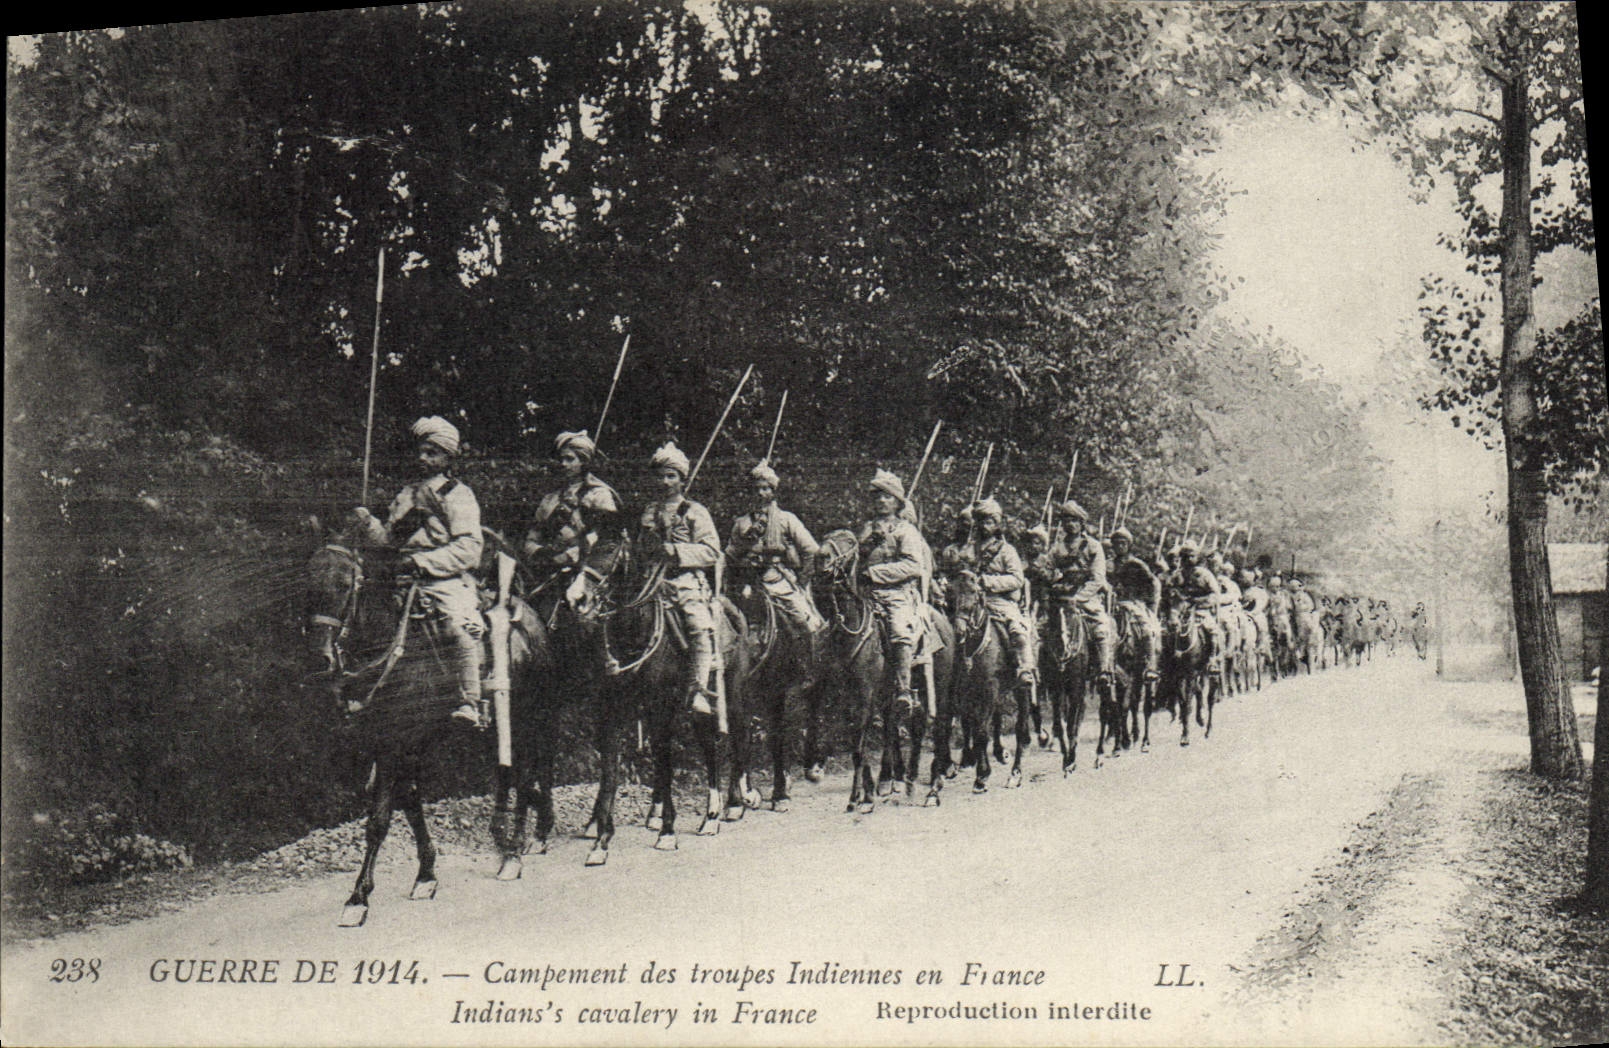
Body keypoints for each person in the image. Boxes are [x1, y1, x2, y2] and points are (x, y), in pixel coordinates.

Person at [353, 416, 485, 727]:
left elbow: (469, 548)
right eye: (421, 452)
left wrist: (422, 563)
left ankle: (470, 701)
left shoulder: (458, 494)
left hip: (444, 580)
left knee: (456, 629)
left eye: (432, 453)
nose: (423, 459)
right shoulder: (407, 494)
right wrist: (368, 523)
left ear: (448, 458)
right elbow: (389, 540)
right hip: (399, 578)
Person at [725, 459, 827, 683]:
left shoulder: (786, 519)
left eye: (765, 488)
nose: (760, 493)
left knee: (806, 622)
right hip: (750, 583)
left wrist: (801, 581)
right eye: (756, 489)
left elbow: (812, 550)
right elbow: (730, 556)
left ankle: (810, 672)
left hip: (779, 580)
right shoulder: (741, 524)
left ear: (773, 491)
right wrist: (744, 546)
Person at [639, 441, 721, 715]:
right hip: (652, 581)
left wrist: (675, 551)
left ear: (682, 479)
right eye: (660, 476)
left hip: (685, 581)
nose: (665, 482)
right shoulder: (650, 511)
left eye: (671, 476)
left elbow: (712, 552)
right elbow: (641, 546)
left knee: (699, 626)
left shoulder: (695, 511)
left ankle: (699, 689)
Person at [522, 430, 623, 600]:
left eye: (570, 459)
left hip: (587, 574)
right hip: (547, 573)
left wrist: (570, 555)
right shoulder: (550, 499)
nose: (563, 464)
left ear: (584, 462)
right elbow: (532, 538)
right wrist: (543, 555)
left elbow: (606, 541)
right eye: (561, 459)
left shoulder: (599, 496)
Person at [858, 469, 927, 710]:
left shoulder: (906, 530)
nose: (881, 501)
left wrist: (874, 573)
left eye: (886, 497)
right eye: (877, 496)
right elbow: (857, 559)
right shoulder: (867, 529)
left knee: (899, 631)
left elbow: (913, 566)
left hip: (897, 595)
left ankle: (904, 688)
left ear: (897, 502)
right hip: (867, 595)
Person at [966, 498, 1036, 686]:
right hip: (970, 602)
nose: (984, 526)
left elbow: (1017, 579)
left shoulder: (1006, 551)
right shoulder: (968, 550)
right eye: (980, 521)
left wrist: (988, 581)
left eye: (989, 522)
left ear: (997, 525)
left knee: (1017, 630)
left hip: (999, 602)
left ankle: (1025, 668)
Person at [1044, 499, 1115, 678]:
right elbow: (1047, 570)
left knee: (1102, 627)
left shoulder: (1093, 546)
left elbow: (1098, 578)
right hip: (1061, 597)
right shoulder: (1057, 548)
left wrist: (1079, 598)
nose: (1070, 524)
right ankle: (1036, 672)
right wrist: (1055, 580)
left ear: (1081, 523)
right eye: (1066, 520)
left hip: (1086, 598)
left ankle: (1104, 670)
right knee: (1039, 630)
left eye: (1074, 520)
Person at [1109, 526, 1162, 681]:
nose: (1119, 546)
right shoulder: (1108, 564)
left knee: (1146, 629)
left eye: (1123, 543)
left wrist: (1151, 607)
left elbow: (1153, 583)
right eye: (1116, 543)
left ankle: (1151, 665)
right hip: (1111, 603)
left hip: (1133, 603)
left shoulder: (1137, 564)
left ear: (1129, 545)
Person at [1172, 541, 1224, 673]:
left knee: (1213, 630)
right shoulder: (1177, 575)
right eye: (1185, 556)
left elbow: (1214, 594)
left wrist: (1199, 601)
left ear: (1197, 557)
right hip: (1181, 609)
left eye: (1191, 556)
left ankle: (1212, 660)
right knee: (1170, 628)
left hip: (1201, 610)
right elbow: (1172, 592)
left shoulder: (1205, 574)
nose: (1188, 559)